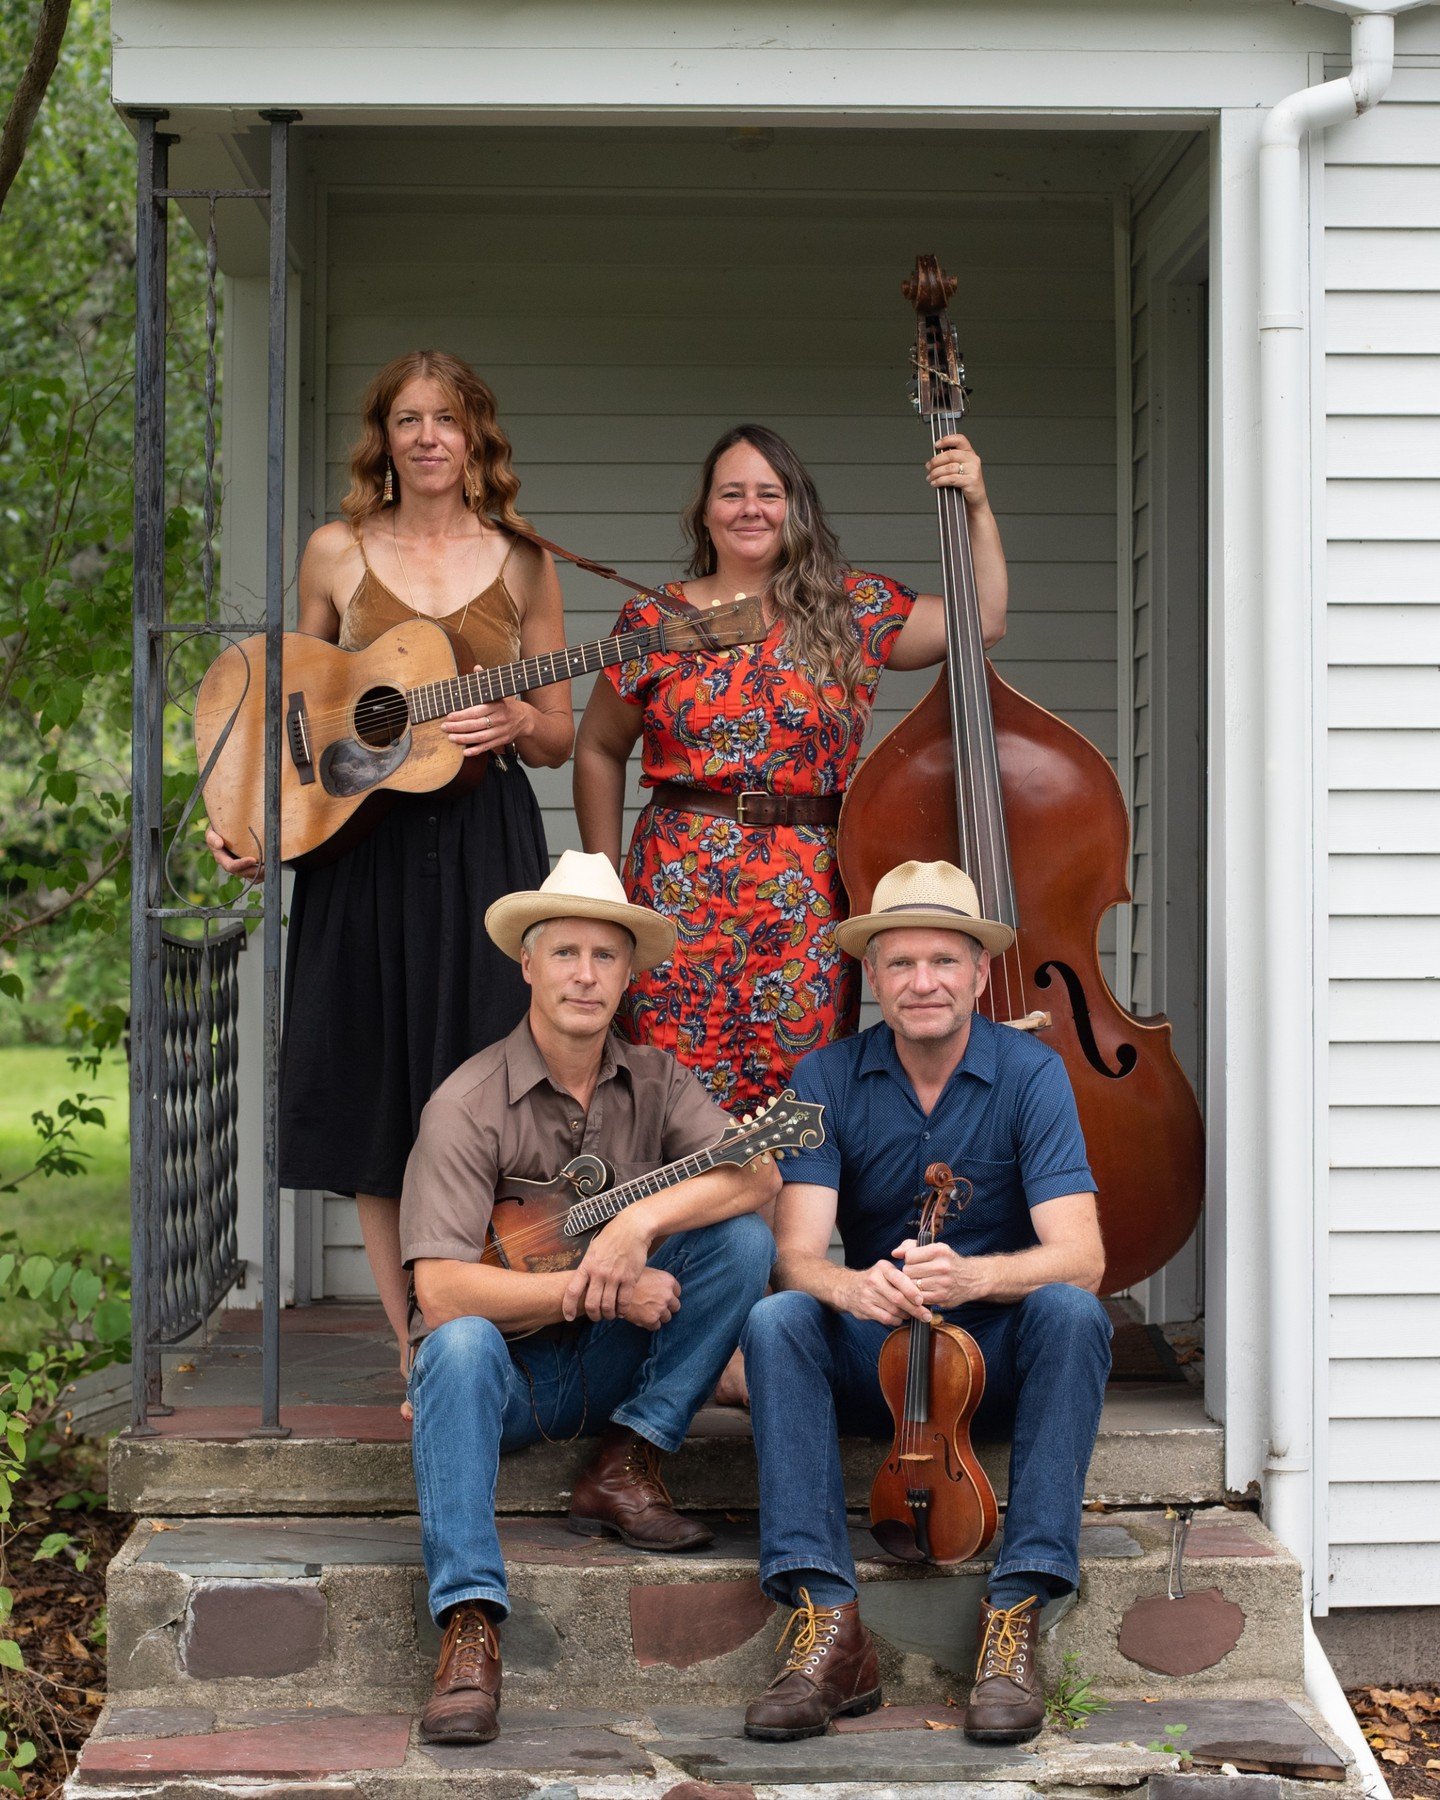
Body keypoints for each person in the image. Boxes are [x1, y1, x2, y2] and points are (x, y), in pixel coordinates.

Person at [206, 350, 574, 1382]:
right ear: (384, 436)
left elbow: (556, 735)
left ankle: (477, 1323)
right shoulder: (337, 550)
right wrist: (252, 819)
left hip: (484, 845)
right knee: (374, 1079)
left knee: (486, 1075)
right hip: (359, 850)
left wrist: (515, 715)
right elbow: (294, 699)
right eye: (408, 419)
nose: (427, 438)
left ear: (476, 439)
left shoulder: (522, 559)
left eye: (447, 420)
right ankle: (413, 1340)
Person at [400, 850, 778, 1746]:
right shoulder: (467, 1104)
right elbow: (442, 1288)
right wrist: (590, 1288)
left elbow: (755, 1176)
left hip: (615, 1370)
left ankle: (628, 1461)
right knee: (452, 1345)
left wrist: (634, 1227)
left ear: (628, 973)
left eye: (605, 956)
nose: (584, 974)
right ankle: (469, 1624)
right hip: (509, 1384)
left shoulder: (659, 1081)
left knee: (741, 1241)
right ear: (526, 964)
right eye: (564, 953)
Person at [738, 859, 1111, 1747]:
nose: (923, 983)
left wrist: (978, 1278)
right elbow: (793, 1258)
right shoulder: (827, 1073)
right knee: (776, 1319)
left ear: (981, 973)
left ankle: (1017, 1606)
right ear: (874, 977)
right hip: (885, 1354)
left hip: (997, 1359)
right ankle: (829, 1622)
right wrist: (849, 1284)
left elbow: (1084, 1258)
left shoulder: (1031, 1074)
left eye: (944, 961)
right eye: (900, 964)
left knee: (1073, 1314)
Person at [572, 422, 1008, 1117]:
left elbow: (981, 619)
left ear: (794, 507)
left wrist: (977, 504)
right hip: (677, 888)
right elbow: (597, 748)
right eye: (732, 493)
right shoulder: (656, 619)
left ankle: (783, 1235)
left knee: (794, 1106)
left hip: (805, 895)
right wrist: (601, 886)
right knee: (665, 1095)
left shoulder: (847, 609)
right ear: (706, 513)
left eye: (768, 493)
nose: (751, 508)